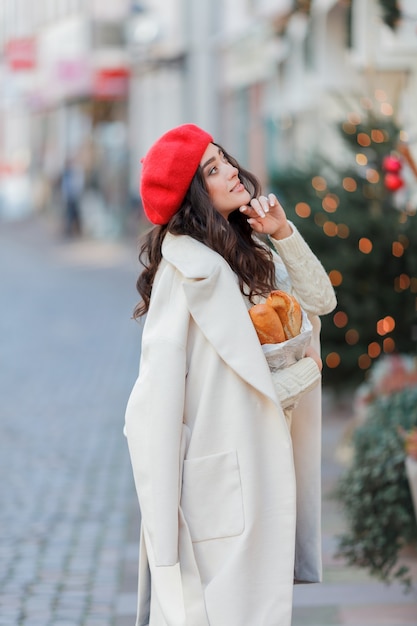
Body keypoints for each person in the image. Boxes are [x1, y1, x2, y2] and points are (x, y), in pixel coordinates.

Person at [124, 124, 337, 626]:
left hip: (262, 459)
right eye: (212, 170)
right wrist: (303, 373)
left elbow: (321, 304)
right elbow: (157, 400)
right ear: (194, 195)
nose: (232, 172)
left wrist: (283, 233)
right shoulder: (190, 274)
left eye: (225, 159)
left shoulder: (252, 253)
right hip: (220, 475)